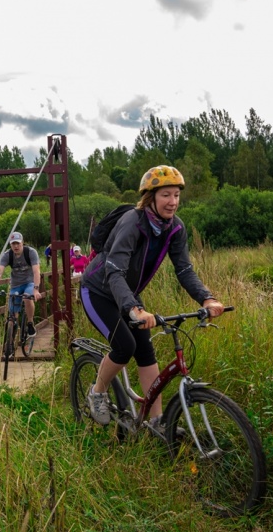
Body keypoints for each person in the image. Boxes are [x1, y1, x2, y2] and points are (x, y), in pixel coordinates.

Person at [79, 165, 224, 427]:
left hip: (126, 295)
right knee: (125, 346)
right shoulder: (132, 223)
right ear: (151, 198)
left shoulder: (175, 228)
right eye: (166, 195)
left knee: (146, 350)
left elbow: (184, 269)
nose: (173, 202)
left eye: (177, 195)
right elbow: (113, 272)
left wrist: (206, 298)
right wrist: (134, 309)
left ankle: (155, 421)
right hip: (98, 290)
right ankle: (97, 392)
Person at [0, 231, 42, 337]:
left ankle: (30, 323)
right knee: (12, 314)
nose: (16, 246)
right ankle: (11, 340)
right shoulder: (7, 255)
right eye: (13, 244)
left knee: (27, 298)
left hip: (29, 282)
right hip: (16, 284)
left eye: (18, 243)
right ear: (10, 245)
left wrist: (36, 289)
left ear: (22, 242)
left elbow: (36, 271)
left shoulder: (31, 252)